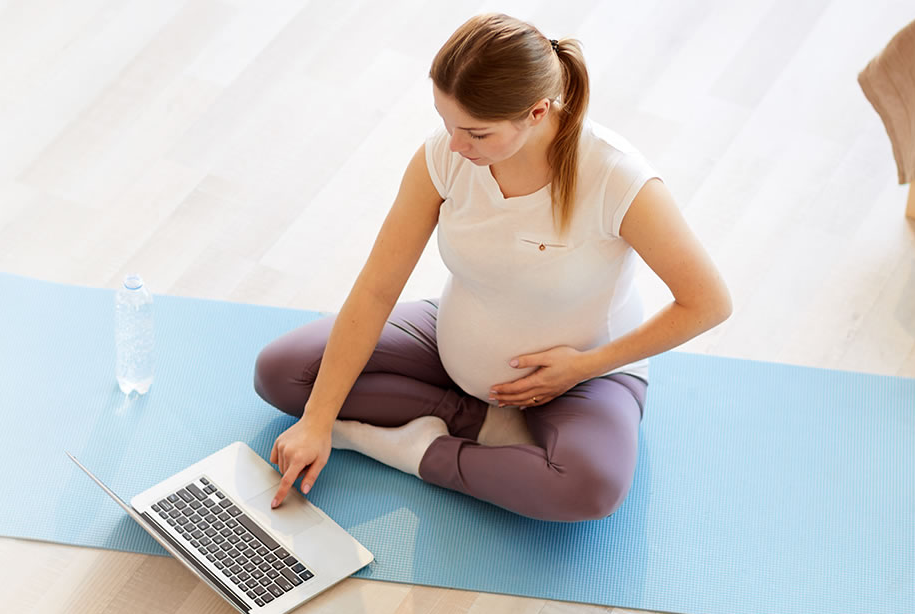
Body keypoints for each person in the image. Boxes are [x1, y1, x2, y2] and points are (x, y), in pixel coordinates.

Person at [251, 13, 731, 522]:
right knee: (282, 375)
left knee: (587, 489)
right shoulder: (444, 156)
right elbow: (376, 289)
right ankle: (480, 423)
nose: (455, 146)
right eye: (445, 121)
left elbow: (708, 303)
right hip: (452, 338)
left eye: (476, 133)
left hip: (587, 368)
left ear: (537, 112)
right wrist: (318, 421)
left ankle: (411, 451)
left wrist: (582, 367)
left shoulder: (618, 179)